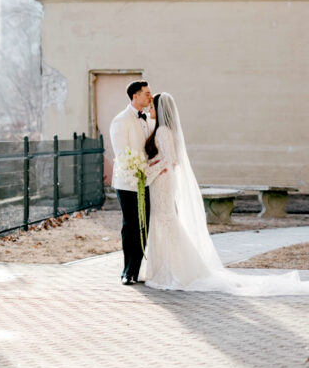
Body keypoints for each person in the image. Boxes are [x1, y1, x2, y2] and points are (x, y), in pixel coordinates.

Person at [140, 92, 309, 295]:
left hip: (162, 182)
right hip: (163, 181)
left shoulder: (163, 131)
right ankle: (166, 266)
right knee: (163, 220)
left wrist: (148, 171)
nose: (149, 109)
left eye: (151, 106)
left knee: (164, 220)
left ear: (158, 109)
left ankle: (172, 268)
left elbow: (170, 160)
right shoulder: (165, 130)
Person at [109, 80, 155, 285]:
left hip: (146, 181)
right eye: (146, 94)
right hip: (127, 183)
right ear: (135, 96)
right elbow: (121, 154)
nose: (150, 97)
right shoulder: (121, 120)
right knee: (131, 226)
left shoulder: (148, 119)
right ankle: (127, 272)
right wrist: (137, 171)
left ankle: (136, 271)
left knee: (144, 226)